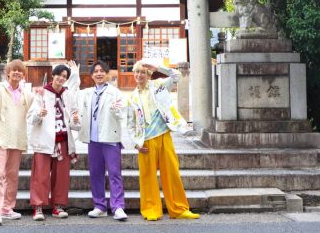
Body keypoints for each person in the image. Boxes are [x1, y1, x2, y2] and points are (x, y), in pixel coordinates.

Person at [126, 60, 200, 221]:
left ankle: (179, 209)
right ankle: (151, 210)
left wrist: (158, 68)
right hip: (145, 141)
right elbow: (130, 124)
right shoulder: (131, 97)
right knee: (147, 177)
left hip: (164, 135)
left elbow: (177, 75)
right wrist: (136, 144)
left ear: (148, 74)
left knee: (172, 173)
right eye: (137, 72)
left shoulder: (158, 86)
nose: (139, 75)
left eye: (143, 72)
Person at [0, 59, 36, 226]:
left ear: (23, 74)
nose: (17, 73)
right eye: (14, 70)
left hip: (17, 137)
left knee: (12, 175)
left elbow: (36, 106)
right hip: (0, 137)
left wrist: (41, 93)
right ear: (8, 72)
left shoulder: (26, 93)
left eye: (20, 71)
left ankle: (7, 208)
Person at [72, 60, 128, 221]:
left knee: (114, 173)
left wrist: (116, 110)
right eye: (96, 71)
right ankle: (100, 206)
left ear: (107, 73)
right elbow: (73, 93)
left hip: (110, 139)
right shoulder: (87, 93)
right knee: (95, 173)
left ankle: (118, 207)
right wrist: (75, 74)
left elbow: (122, 113)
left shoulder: (115, 92)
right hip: (93, 139)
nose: (99, 73)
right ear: (91, 75)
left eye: (102, 71)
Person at [27, 61, 80, 221]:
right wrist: (39, 114)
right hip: (44, 140)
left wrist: (75, 120)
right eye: (59, 75)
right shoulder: (41, 93)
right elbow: (31, 118)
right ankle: (38, 207)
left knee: (62, 176)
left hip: (63, 140)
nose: (61, 78)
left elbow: (75, 123)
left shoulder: (68, 95)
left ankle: (58, 206)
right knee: (40, 175)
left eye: (65, 76)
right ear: (53, 75)